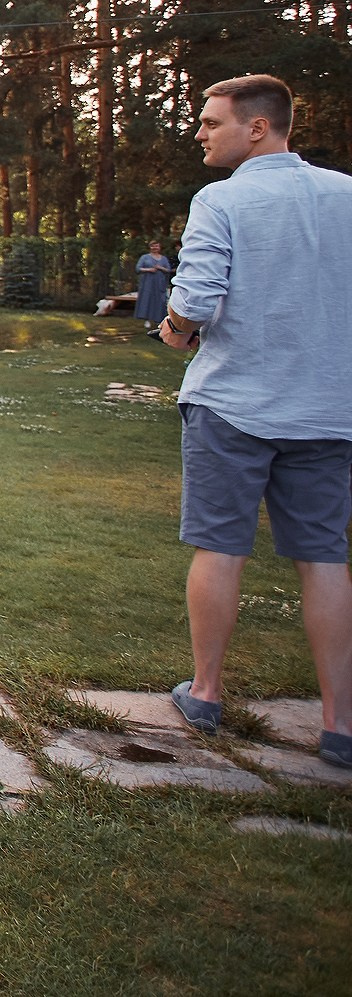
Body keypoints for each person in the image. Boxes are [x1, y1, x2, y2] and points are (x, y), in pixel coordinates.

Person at [156, 74, 352, 769]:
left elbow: (199, 298)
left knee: (220, 546)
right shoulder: (346, 196)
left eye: (212, 123)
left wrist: (174, 330)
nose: (201, 133)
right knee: (324, 554)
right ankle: (339, 722)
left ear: (259, 127)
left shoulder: (223, 199)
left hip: (235, 404)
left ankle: (205, 692)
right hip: (329, 410)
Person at [133, 240, 173, 327]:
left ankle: (158, 319)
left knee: (159, 300)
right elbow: (138, 268)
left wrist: (161, 268)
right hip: (147, 283)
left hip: (160, 283)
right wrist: (149, 270)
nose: (155, 248)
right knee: (147, 299)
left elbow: (168, 270)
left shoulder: (164, 259)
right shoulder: (145, 257)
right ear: (150, 247)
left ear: (159, 247)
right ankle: (147, 319)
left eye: (157, 246)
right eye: (153, 246)